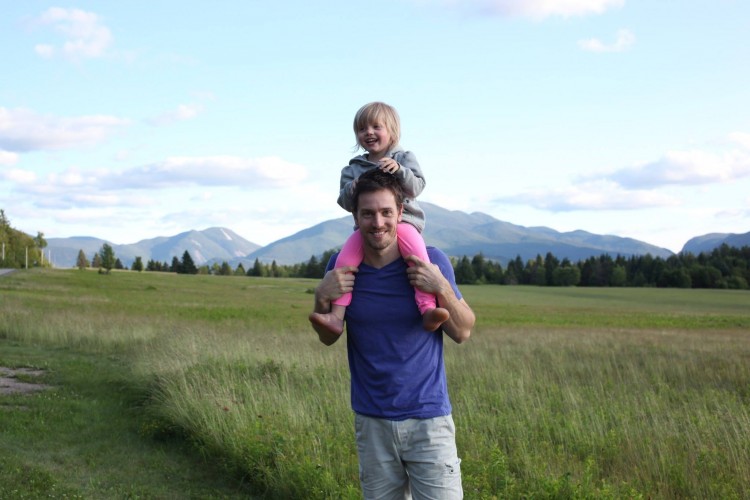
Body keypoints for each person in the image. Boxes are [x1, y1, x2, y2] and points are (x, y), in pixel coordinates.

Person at [309, 169, 475, 499]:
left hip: (429, 420)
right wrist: (320, 295)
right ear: (356, 218)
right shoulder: (340, 266)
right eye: (368, 213)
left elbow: (463, 330)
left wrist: (439, 284)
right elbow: (329, 336)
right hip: (372, 423)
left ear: (401, 213)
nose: (378, 222)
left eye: (386, 212)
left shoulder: (431, 260)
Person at [311, 102, 450, 336]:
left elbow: (416, 188)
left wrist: (399, 171)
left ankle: (427, 310)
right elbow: (344, 203)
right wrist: (353, 188)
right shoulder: (353, 168)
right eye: (362, 129)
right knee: (344, 263)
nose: (369, 133)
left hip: (405, 224)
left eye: (377, 126)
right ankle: (336, 317)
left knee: (419, 262)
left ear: (392, 131)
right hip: (365, 231)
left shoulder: (404, 158)